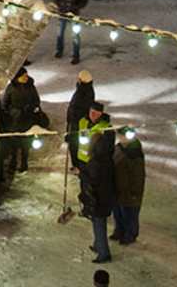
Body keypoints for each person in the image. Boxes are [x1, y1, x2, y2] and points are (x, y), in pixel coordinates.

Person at [78, 102, 116, 265]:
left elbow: (93, 181)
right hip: (99, 187)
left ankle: (104, 253)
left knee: (98, 222)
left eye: (97, 113)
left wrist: (83, 174)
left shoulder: (107, 129)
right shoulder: (105, 162)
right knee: (96, 220)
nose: (93, 115)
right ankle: (98, 245)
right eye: (91, 111)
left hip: (99, 196)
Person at [0, 67, 44, 176]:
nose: (26, 77)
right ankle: (13, 163)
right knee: (14, 144)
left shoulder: (31, 87)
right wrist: (14, 112)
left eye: (26, 75)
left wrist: (31, 108)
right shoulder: (11, 88)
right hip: (15, 121)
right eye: (23, 75)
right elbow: (5, 104)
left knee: (26, 144)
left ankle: (24, 163)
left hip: (28, 120)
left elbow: (37, 100)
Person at [111, 128, 144, 245]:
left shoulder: (134, 153)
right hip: (117, 187)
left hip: (129, 190)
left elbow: (138, 175)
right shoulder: (118, 148)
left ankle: (130, 235)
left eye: (121, 136)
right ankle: (119, 231)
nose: (119, 138)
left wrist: (135, 192)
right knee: (118, 212)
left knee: (130, 214)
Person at [54, 0, 89, 64]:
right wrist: (59, 5)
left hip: (74, 14)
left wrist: (76, 7)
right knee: (60, 33)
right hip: (62, 13)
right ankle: (59, 50)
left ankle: (76, 55)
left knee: (75, 35)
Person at [65, 70, 96, 170]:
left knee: (76, 146)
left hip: (78, 124)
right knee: (77, 145)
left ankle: (78, 165)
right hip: (77, 123)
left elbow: (77, 109)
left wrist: (71, 117)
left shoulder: (83, 92)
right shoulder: (86, 90)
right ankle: (79, 165)